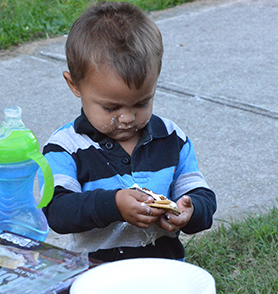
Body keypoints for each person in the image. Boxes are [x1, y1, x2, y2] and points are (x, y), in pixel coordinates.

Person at [42, 1, 216, 262]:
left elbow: (200, 194)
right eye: (111, 107)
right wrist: (114, 204)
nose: (126, 118)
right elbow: (58, 212)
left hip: (163, 272)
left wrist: (190, 211)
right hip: (96, 275)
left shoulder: (171, 138)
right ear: (74, 84)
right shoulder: (66, 146)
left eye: (141, 103)